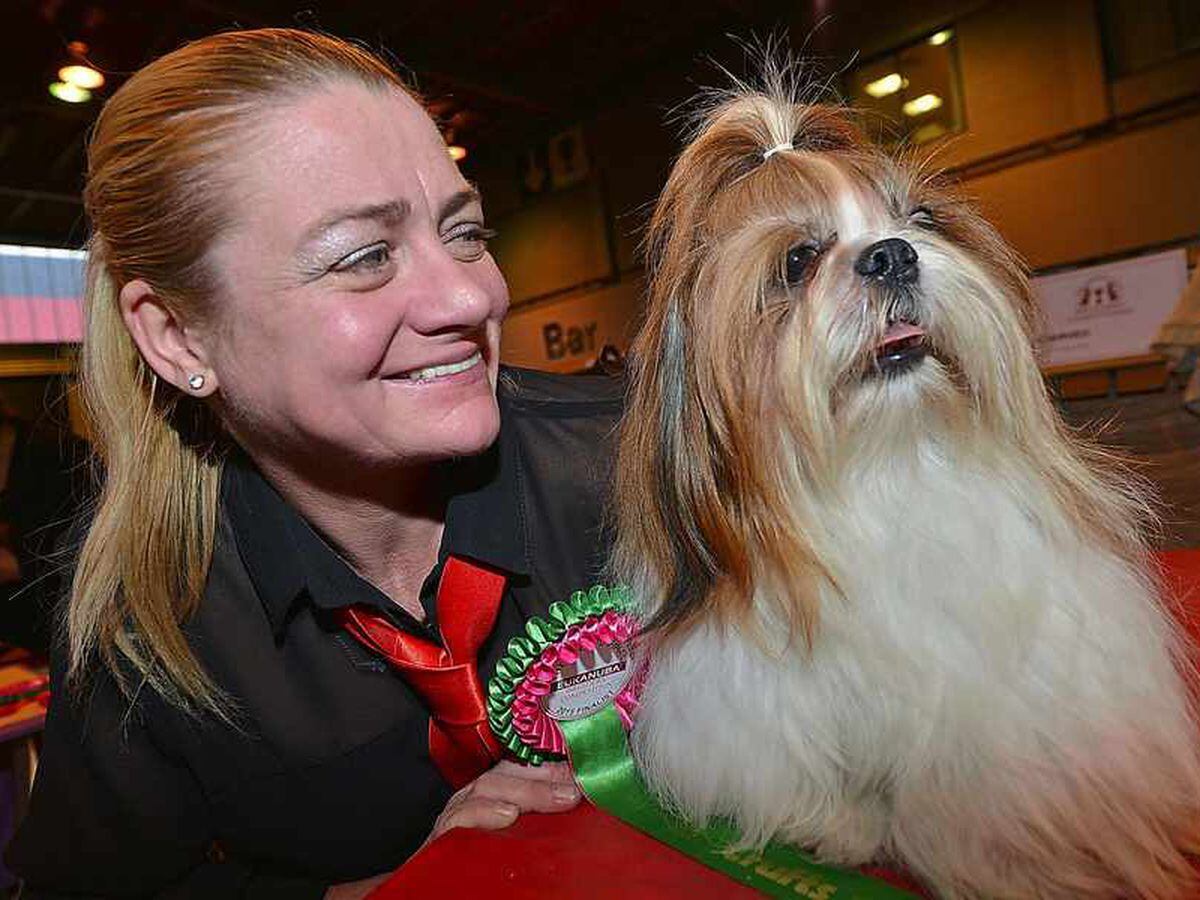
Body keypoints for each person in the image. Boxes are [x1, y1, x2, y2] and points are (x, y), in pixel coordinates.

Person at [7, 28, 622, 898]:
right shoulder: (148, 624)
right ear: (177, 334)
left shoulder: (643, 463)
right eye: (364, 257)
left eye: (466, 231)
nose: (470, 295)